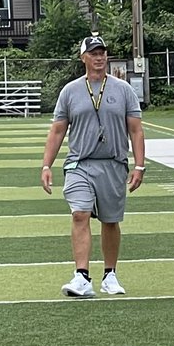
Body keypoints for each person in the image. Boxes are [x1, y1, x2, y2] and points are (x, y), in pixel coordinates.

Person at [40, 34, 145, 298]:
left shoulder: (123, 90)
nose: (99, 58)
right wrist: (46, 165)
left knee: (110, 220)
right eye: (94, 53)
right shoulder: (70, 91)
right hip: (79, 163)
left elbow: (135, 129)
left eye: (102, 53)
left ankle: (110, 274)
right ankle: (82, 277)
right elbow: (57, 131)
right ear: (83, 57)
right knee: (80, 213)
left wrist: (139, 166)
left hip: (113, 163)